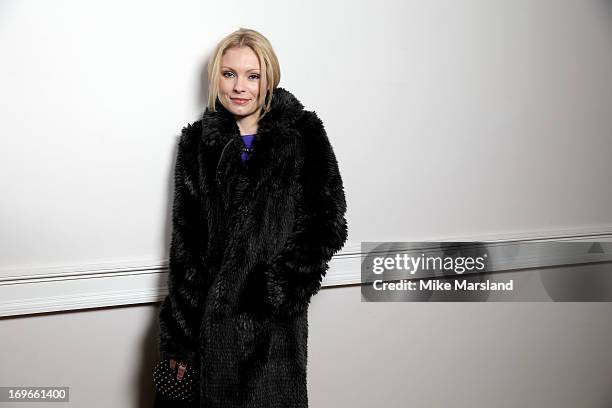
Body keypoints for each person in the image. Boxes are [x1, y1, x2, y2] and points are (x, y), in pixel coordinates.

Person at [155, 27, 348, 408]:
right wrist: (178, 338)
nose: (239, 87)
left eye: (252, 75)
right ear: (216, 79)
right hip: (211, 326)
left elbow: (328, 223)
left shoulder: (303, 134)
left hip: (274, 330)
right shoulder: (197, 144)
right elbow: (186, 245)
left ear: (268, 79)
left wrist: (277, 291)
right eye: (229, 74)